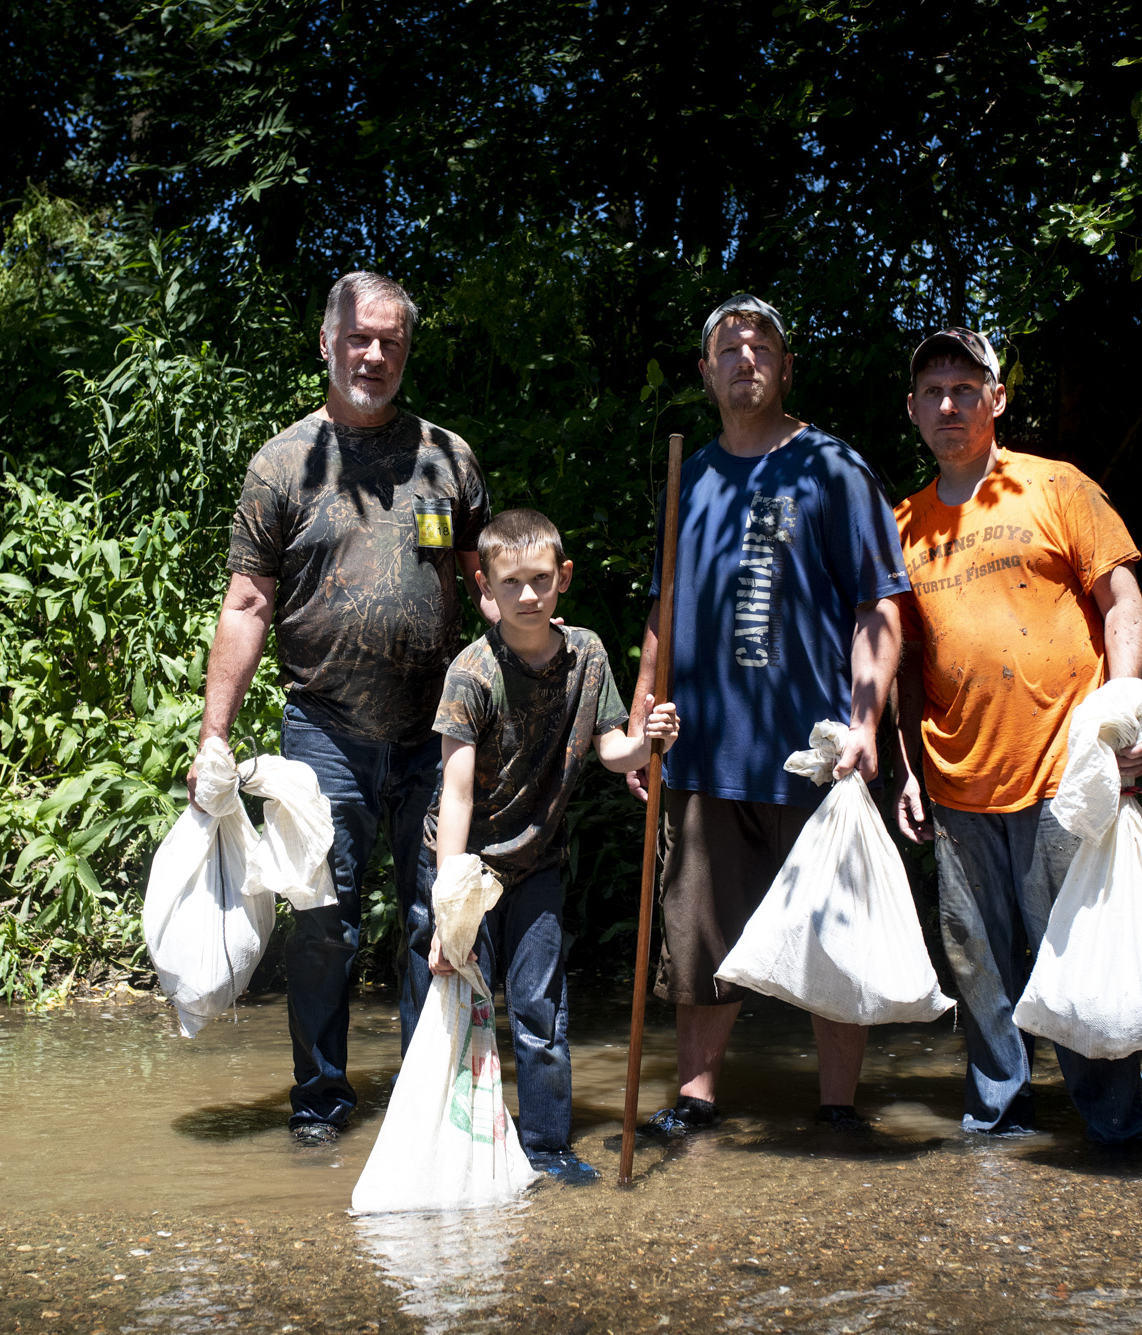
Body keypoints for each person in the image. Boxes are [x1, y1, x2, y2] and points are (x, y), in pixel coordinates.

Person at [190, 271, 494, 1148]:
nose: (374, 354)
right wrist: (215, 738)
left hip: (440, 731)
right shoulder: (282, 463)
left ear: (407, 350)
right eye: (360, 337)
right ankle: (320, 1101)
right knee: (323, 922)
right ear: (327, 342)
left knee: (437, 914)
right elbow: (247, 605)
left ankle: (421, 1099)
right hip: (322, 730)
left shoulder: (449, 457)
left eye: (391, 340)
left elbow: (486, 591)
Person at [628, 294, 909, 1139]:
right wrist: (644, 718)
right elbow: (663, 608)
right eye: (728, 347)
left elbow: (879, 606)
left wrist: (865, 721)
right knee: (697, 934)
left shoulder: (833, 468)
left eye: (762, 346)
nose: (745, 357)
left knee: (834, 929)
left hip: (814, 753)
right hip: (706, 750)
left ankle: (837, 1106)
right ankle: (697, 1098)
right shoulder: (693, 475)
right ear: (705, 371)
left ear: (786, 368)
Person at [891, 326, 1142, 1148]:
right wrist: (904, 769)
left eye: (965, 388)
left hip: (1062, 777)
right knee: (976, 972)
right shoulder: (903, 522)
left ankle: (1116, 1132)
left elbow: (1125, 608)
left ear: (997, 398)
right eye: (933, 391)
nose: (948, 403)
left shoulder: (1057, 487)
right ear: (911, 410)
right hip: (954, 785)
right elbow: (900, 666)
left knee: (1075, 963)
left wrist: (1122, 721)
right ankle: (997, 1126)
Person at [425, 508, 682, 1185]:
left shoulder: (589, 655)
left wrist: (651, 737)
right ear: (486, 587)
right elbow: (454, 795)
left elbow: (612, 750)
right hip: (470, 865)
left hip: (538, 860)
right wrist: (449, 907)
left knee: (539, 1006)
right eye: (512, 582)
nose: (529, 595)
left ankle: (545, 1146)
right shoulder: (471, 673)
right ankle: (453, 1142)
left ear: (563, 577)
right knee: (461, 1002)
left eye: (542, 579)